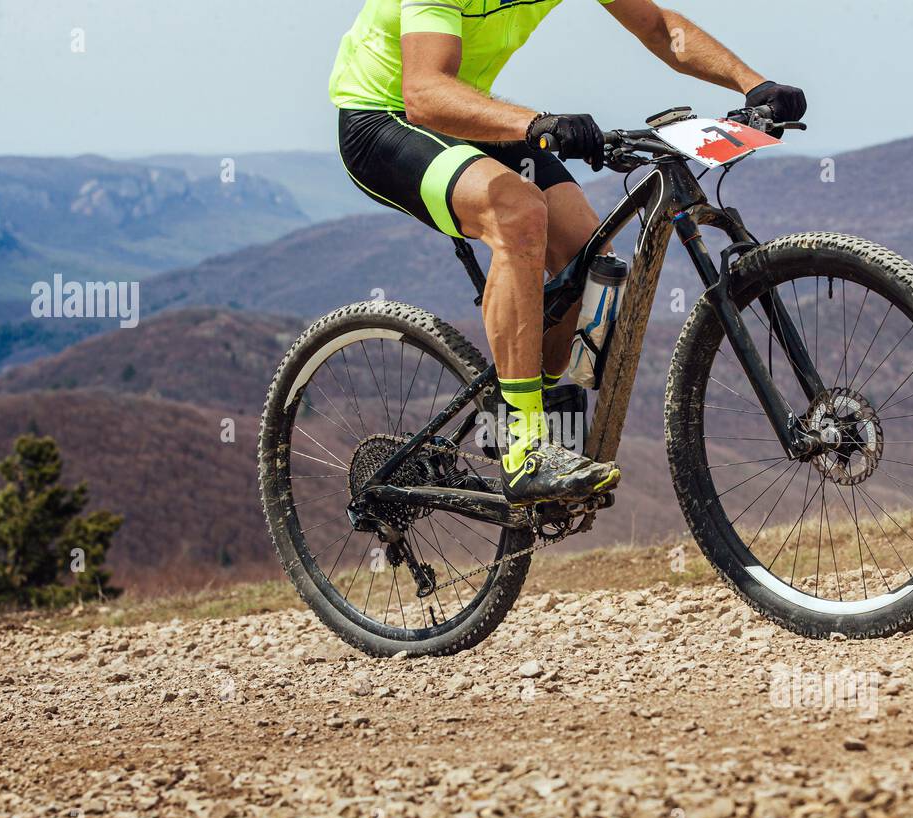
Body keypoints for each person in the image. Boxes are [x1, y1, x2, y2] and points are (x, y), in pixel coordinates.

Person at [330, 0, 806, 503]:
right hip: (384, 120)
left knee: (589, 256)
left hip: (465, 115)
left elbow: (660, 28)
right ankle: (523, 447)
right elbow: (425, 93)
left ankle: (537, 411)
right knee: (518, 214)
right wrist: (540, 122)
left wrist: (751, 83)